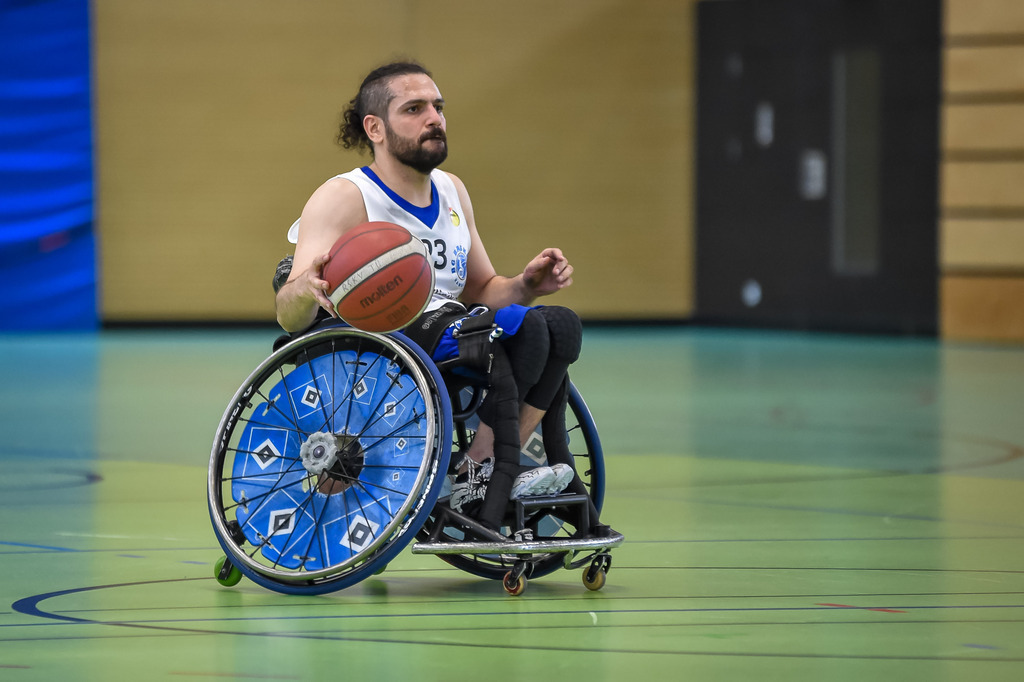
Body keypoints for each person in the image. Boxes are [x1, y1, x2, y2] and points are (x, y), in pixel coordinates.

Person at [275, 61, 601, 534]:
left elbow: (484, 289)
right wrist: (303, 287)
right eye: (414, 109)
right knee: (525, 329)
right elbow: (289, 314)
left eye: (438, 107)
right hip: (390, 336)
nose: (434, 118)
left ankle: (478, 465)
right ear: (375, 128)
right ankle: (482, 471)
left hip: (455, 323)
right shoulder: (344, 196)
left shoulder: (452, 190)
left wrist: (526, 285)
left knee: (562, 324)